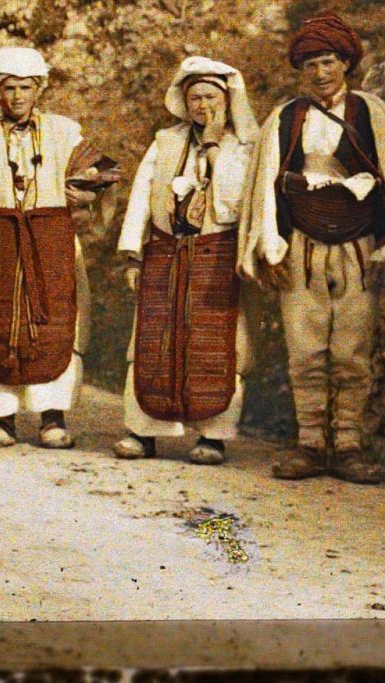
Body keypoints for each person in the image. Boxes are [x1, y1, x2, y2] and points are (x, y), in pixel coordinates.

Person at [238, 11, 385, 484]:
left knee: (352, 350)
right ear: (300, 72)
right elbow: (266, 183)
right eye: (311, 66)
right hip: (301, 246)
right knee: (304, 352)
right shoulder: (285, 117)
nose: (321, 74)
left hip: (360, 247)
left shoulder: (374, 114)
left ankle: (347, 446)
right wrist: (270, 248)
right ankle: (309, 445)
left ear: (346, 63)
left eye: (328, 62)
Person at [114, 56, 256, 465]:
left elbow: (232, 204)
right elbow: (142, 196)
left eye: (211, 96)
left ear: (228, 101)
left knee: (218, 344)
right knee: (151, 339)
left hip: (218, 256)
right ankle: (143, 432)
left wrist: (213, 146)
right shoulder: (166, 141)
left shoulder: (245, 146)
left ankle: (213, 436)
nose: (203, 105)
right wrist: (133, 255)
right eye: (195, 97)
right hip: (165, 253)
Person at [0, 45, 91, 450]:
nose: (17, 97)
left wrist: (77, 200)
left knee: (58, 324)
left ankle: (53, 417)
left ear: (40, 89)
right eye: (9, 88)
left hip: (52, 245)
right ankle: (2, 419)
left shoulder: (66, 131)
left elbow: (102, 174)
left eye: (25, 88)